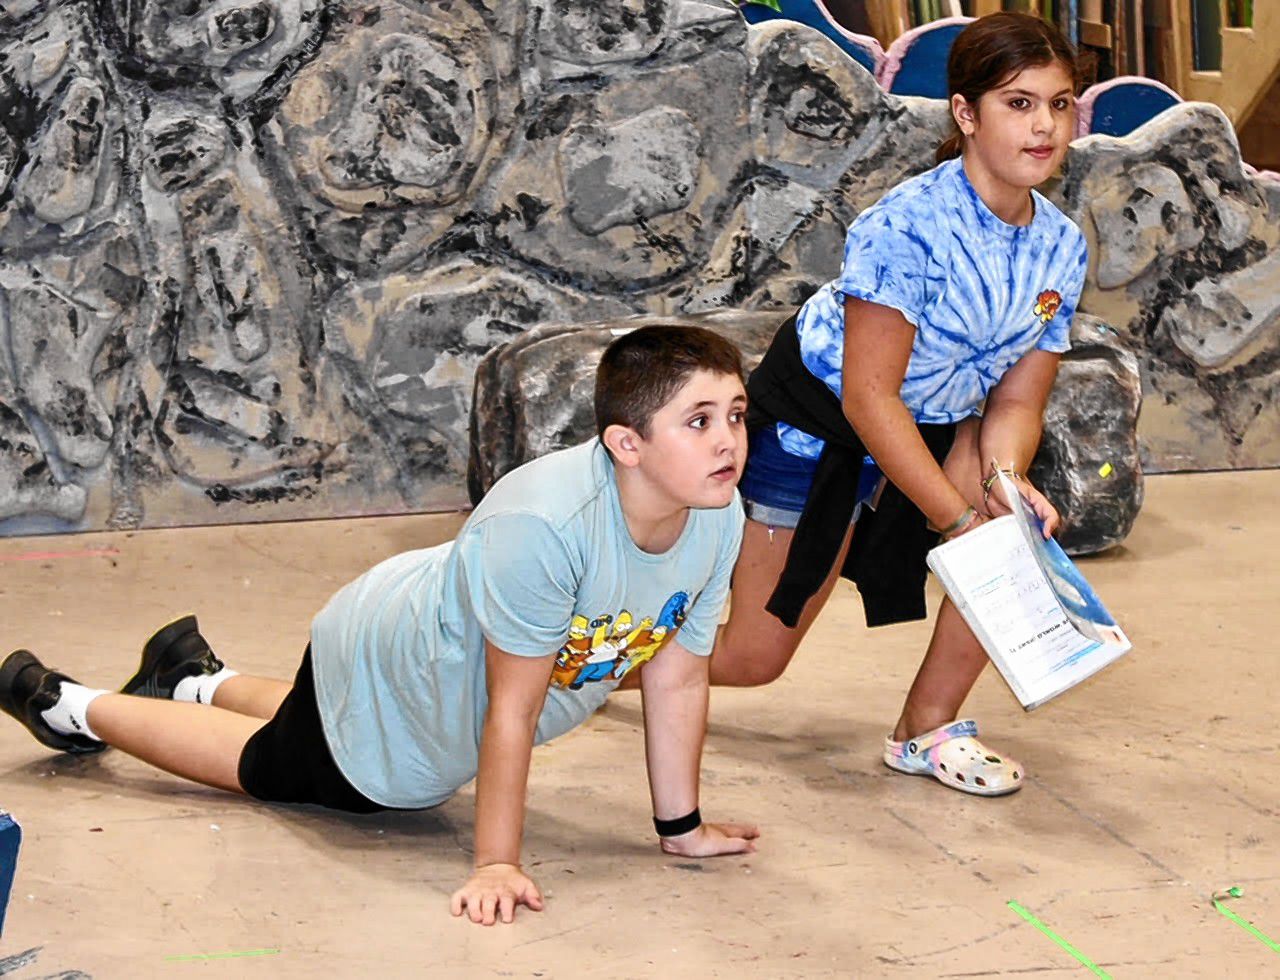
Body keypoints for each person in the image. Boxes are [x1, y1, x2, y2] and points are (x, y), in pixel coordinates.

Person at [0, 325, 759, 926]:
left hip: (425, 662)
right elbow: (513, 709)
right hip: (399, 666)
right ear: (626, 444)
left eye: (735, 414)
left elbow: (678, 673)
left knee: (312, 724)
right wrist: (496, 862)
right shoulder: (550, 528)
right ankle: (67, 701)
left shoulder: (715, 515)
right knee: (282, 765)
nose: (728, 439)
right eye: (698, 421)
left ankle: (196, 678)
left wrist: (681, 825)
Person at [707, 12, 1090, 796]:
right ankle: (592, 675)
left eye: (1060, 103)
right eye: (1019, 103)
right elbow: (868, 396)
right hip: (823, 420)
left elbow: (1019, 393)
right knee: (755, 658)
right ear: (965, 113)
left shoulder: (1062, 244)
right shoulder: (908, 225)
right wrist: (951, 514)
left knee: (1006, 534)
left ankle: (925, 729)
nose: (1045, 125)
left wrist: (1004, 481)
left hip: (947, 416)